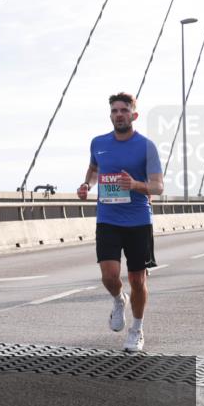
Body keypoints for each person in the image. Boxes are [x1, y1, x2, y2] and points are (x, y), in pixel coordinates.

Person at [77, 92, 163, 352]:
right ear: (110, 115)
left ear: (133, 115)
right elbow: (94, 170)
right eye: (114, 111)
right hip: (108, 219)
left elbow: (158, 186)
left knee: (138, 280)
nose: (119, 115)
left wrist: (135, 184)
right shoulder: (98, 143)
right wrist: (86, 185)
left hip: (138, 221)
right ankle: (118, 299)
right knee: (109, 275)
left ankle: (136, 329)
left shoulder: (146, 146)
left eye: (124, 110)